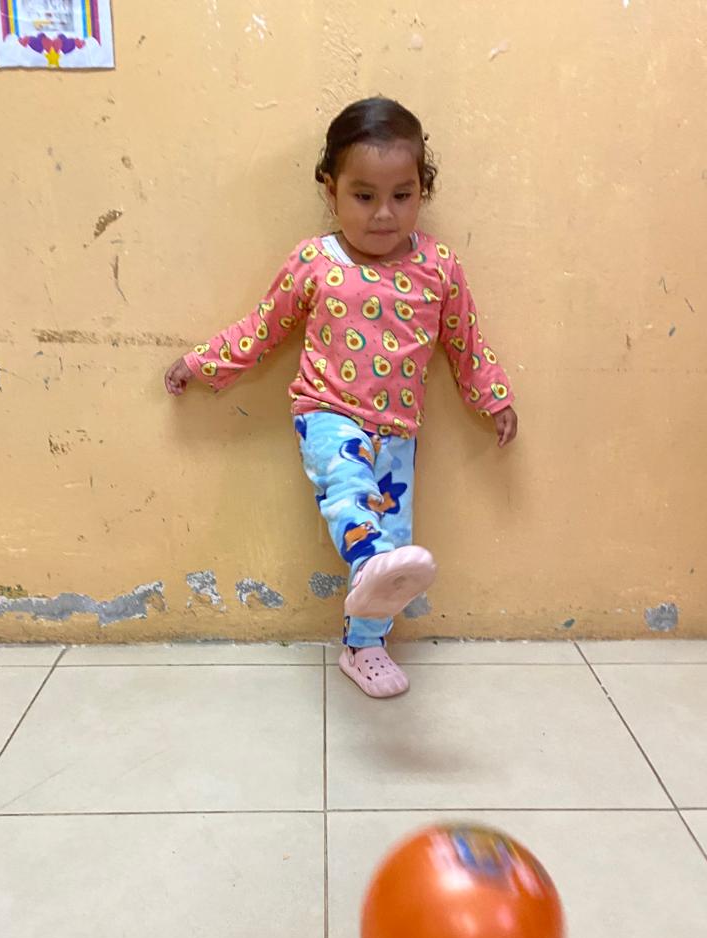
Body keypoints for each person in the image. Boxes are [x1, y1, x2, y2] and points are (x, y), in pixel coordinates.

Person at [165, 97, 517, 698]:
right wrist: (202, 362)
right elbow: (263, 326)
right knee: (350, 492)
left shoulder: (439, 267)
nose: (384, 214)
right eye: (364, 196)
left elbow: (466, 343)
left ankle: (364, 647)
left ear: (423, 190)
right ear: (331, 190)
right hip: (328, 414)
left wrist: (493, 398)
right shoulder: (314, 262)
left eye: (402, 195)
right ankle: (369, 558)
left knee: (394, 552)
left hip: (398, 432)